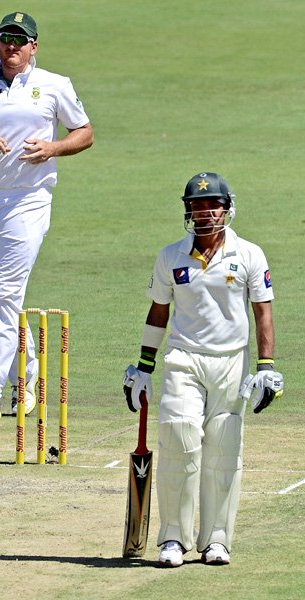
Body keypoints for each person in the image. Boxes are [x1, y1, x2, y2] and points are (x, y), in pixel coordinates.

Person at [123, 172, 283, 568]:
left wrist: (266, 367)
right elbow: (159, 311)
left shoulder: (249, 254)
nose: (204, 212)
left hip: (232, 361)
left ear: (227, 208)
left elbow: (262, 312)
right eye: (196, 206)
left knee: (223, 451)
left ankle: (216, 540)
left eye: (212, 204)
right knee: (179, 439)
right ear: (187, 211)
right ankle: (174, 538)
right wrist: (144, 367)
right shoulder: (171, 256)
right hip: (184, 358)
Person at [0, 11, 94, 419]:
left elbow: (84, 132)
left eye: (20, 40)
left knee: (5, 293)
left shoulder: (54, 85)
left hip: (30, 201)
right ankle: (27, 375)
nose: (12, 46)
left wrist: (53, 149)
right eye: (5, 38)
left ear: (34, 45)